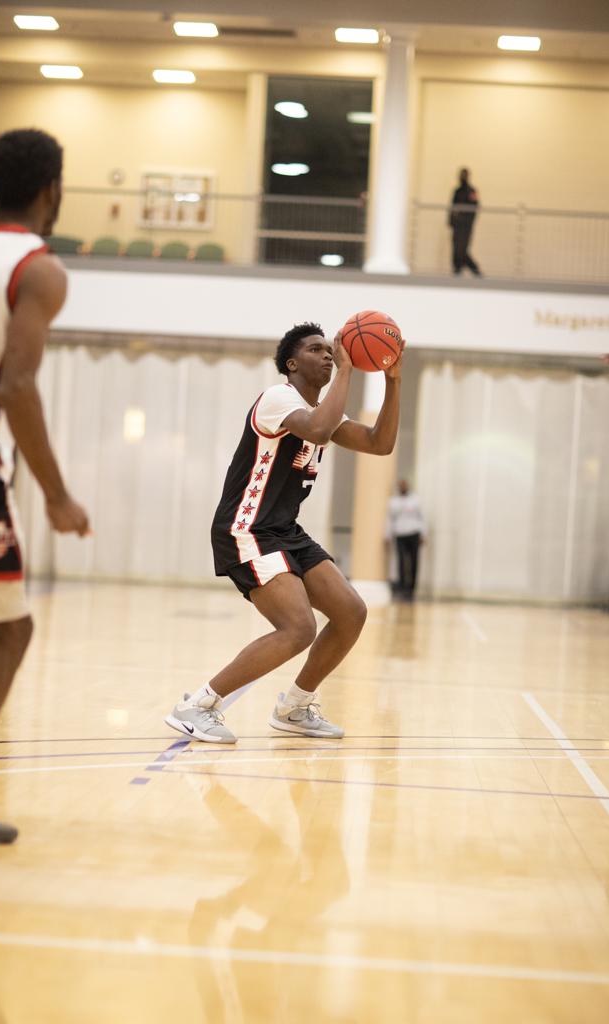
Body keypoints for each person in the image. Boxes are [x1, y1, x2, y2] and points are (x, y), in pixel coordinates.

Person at [165, 322, 403, 743]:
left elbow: (379, 444)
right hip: (247, 527)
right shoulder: (278, 399)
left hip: (285, 530)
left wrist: (392, 378)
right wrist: (348, 371)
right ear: (292, 364)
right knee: (298, 627)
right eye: (317, 350)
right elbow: (316, 429)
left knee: (351, 612)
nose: (329, 355)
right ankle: (198, 705)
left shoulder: (325, 414)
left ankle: (295, 705)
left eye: (332, 351)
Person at [0, 129, 90, 843]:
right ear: (51, 190)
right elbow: (18, 384)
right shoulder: (36, 268)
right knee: (7, 629)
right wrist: (57, 494)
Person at [386, 480, 425, 600]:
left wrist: (423, 534)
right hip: (400, 534)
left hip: (414, 533)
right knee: (401, 562)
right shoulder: (393, 501)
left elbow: (422, 517)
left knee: (413, 562)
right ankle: (402, 588)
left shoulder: (416, 500)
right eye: (400, 485)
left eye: (404, 485)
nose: (402, 487)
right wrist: (387, 535)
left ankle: (411, 588)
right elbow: (389, 519)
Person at [449, 167, 481, 276]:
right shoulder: (457, 192)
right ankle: (457, 271)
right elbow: (452, 208)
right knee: (456, 249)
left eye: (464, 175)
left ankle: (475, 270)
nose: (462, 177)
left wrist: (464, 219)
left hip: (466, 227)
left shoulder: (472, 191)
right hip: (457, 227)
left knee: (462, 251)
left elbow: (474, 208)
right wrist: (451, 221)